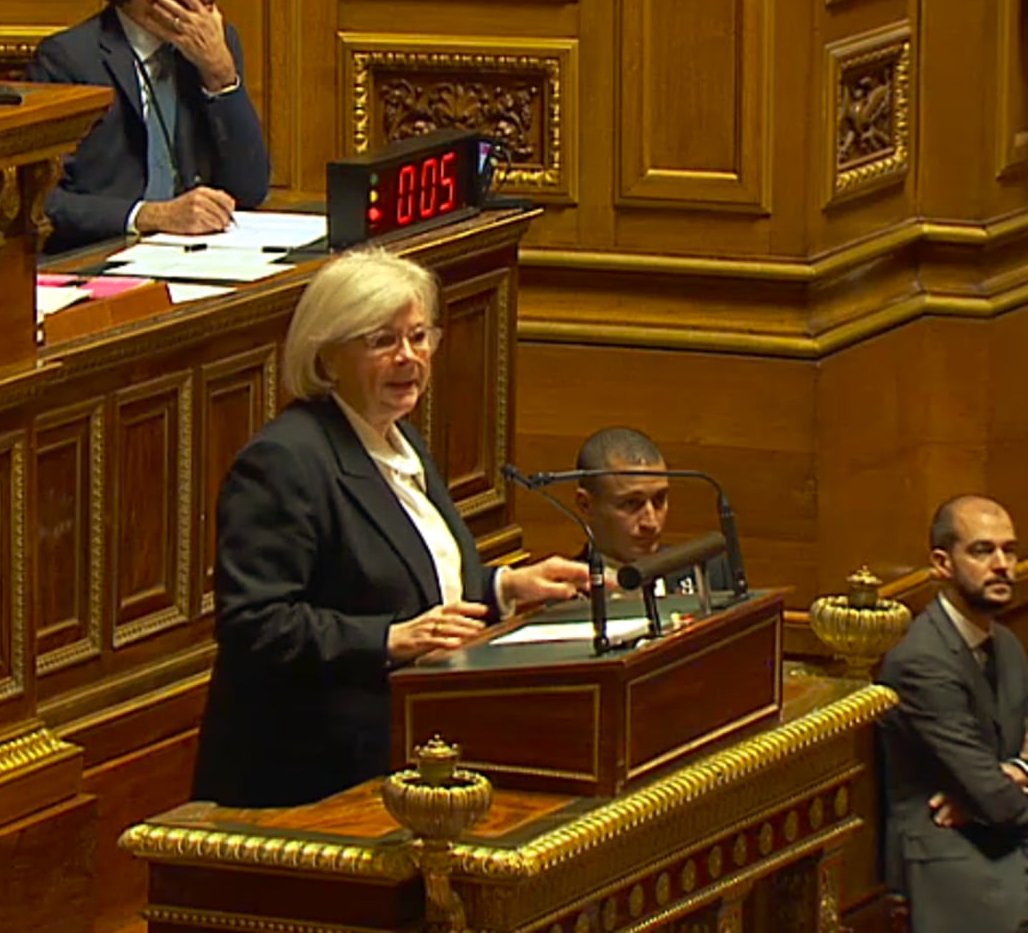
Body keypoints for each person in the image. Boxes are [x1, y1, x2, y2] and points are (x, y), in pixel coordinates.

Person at [192, 248, 590, 808]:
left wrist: (506, 588)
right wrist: (387, 639)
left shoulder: (397, 441)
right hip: (309, 782)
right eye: (383, 341)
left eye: (419, 337)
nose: (409, 358)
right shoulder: (285, 462)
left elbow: (411, 580)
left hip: (403, 750)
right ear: (327, 357)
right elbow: (255, 624)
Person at [27, 0, 270, 251]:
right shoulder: (68, 61)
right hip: (107, 260)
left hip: (206, 255)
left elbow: (250, 188)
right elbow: (40, 203)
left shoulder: (216, 45)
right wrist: (148, 216)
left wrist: (221, 76)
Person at [878, 495, 1028, 933]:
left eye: (1010, 550)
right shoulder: (922, 662)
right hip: (947, 849)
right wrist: (1000, 786)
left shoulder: (1007, 646)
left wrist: (1015, 769)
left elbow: (997, 787)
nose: (1002, 564)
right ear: (942, 564)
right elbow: (996, 800)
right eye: (983, 551)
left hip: (1003, 828)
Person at [574, 426, 731, 593]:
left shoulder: (708, 572)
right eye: (631, 503)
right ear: (586, 505)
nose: (652, 523)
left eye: (659, 499)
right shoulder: (561, 595)